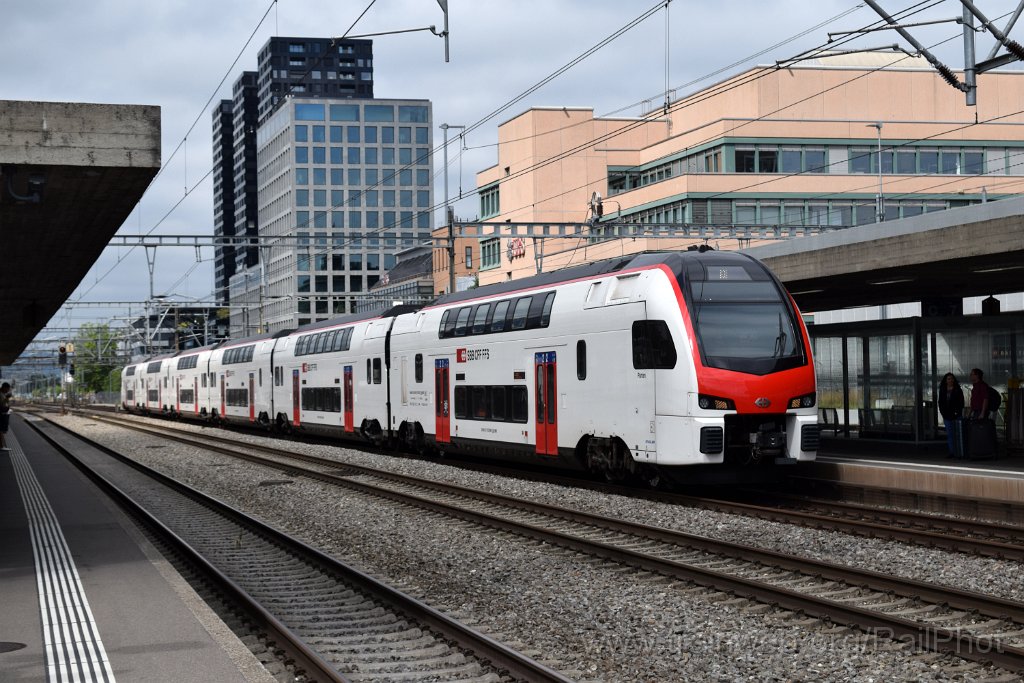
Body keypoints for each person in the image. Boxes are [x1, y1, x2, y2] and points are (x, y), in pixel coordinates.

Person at [937, 373, 965, 458]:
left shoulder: (958, 390)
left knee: (958, 434)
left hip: (956, 415)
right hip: (947, 415)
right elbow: (940, 402)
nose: (950, 380)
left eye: (952, 378)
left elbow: (961, 403)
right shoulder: (942, 390)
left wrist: (957, 411)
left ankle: (960, 452)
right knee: (950, 434)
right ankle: (952, 452)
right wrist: (943, 413)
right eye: (948, 379)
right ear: (946, 381)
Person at [0, 382, 12, 452]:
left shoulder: (3, 394)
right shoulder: (1, 394)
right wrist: (6, 398)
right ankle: (1, 446)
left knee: (1, 430)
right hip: (1, 413)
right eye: (7, 389)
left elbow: (5, 403)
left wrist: (7, 398)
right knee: (0, 430)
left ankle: (1, 446)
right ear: (4, 388)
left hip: (3, 413)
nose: (8, 391)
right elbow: (2, 404)